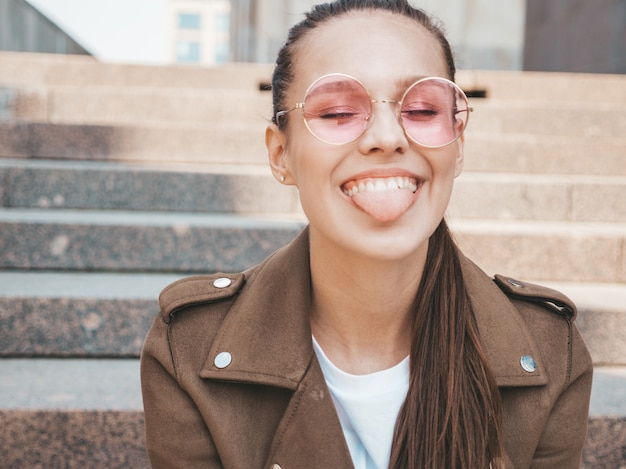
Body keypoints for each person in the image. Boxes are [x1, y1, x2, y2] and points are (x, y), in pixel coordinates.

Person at [140, 1, 593, 467]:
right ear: (280, 155)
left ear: (458, 145)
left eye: (421, 108)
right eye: (337, 112)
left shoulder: (549, 354)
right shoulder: (189, 350)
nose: (387, 136)